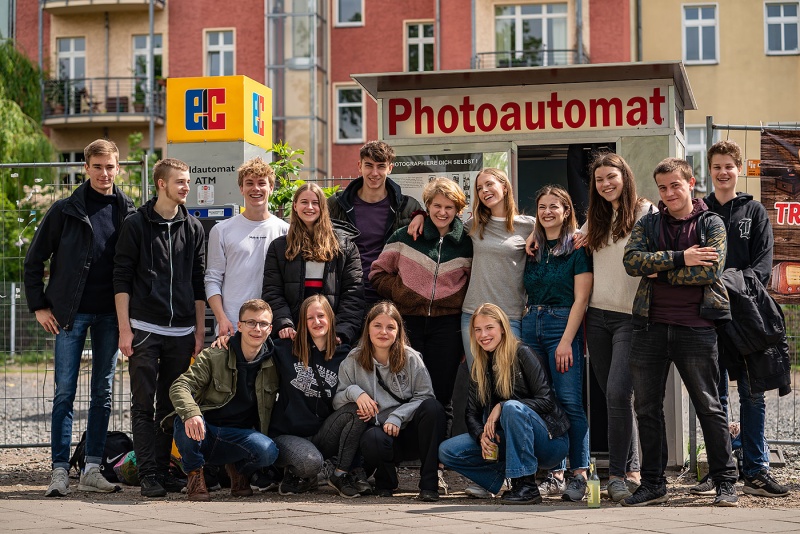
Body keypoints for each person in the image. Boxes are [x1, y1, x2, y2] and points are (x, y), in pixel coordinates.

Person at [623, 157, 738, 507]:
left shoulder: (711, 223)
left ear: (690, 183)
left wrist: (661, 268)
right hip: (650, 327)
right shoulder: (649, 223)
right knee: (646, 408)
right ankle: (654, 483)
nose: (669, 192)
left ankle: (725, 481)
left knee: (708, 405)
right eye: (662, 187)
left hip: (697, 329)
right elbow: (632, 262)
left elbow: (710, 270)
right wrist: (680, 257)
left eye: (675, 185)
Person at [24, 139, 135, 497]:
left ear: (119, 168)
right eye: (98, 166)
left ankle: (91, 468)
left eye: (111, 167)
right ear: (86, 168)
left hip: (110, 314)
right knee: (65, 393)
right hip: (69, 314)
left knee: (102, 393)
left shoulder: (127, 209)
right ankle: (59, 470)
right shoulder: (64, 210)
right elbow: (33, 260)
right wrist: (39, 305)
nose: (105, 173)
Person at [693, 140, 790, 498]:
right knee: (714, 397)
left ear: (738, 170)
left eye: (729, 167)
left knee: (752, 394)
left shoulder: (755, 212)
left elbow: (761, 269)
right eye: (716, 166)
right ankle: (722, 470)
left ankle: (756, 469)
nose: (723, 173)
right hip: (707, 317)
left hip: (747, 316)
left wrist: (723, 280)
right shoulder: (699, 213)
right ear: (710, 170)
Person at [114, 157, 206, 498]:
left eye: (188, 180)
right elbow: (121, 278)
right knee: (143, 404)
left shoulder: (193, 227)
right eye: (180, 181)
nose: (187, 186)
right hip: (143, 327)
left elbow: (198, 283)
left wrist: (198, 331)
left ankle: (165, 471)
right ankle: (148, 474)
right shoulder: (136, 223)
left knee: (170, 406)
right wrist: (125, 330)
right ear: (161, 184)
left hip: (181, 332)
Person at [439, 304, 570, 504]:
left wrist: (502, 405)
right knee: (447, 451)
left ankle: (527, 486)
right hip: (509, 439)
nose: (483, 335)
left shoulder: (522, 352)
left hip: (550, 441)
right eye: (477, 329)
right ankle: (503, 479)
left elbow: (546, 401)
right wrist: (480, 435)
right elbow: (471, 414)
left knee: (511, 407)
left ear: (502, 327)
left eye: (489, 327)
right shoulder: (479, 366)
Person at [578, 153, 650, 502]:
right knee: (614, 397)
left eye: (612, 177)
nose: (606, 184)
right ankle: (633, 468)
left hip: (630, 318)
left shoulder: (644, 213)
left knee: (620, 394)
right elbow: (560, 231)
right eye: (600, 180)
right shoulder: (594, 218)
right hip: (598, 317)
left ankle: (618, 476)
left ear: (625, 176)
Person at [370, 177, 472, 413]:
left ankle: (436, 449)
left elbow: (472, 283)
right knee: (404, 391)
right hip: (407, 322)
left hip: (448, 326)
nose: (442, 212)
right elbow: (377, 273)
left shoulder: (466, 243)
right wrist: (401, 292)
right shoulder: (405, 236)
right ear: (428, 207)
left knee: (441, 393)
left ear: (457, 210)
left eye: (449, 207)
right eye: (437, 206)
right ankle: (406, 447)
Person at [163, 299, 279, 502]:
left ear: (270, 329)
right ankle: (194, 475)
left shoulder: (275, 362)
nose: (257, 329)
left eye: (263, 324)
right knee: (184, 421)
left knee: (268, 452)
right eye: (251, 322)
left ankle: (238, 469)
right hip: (205, 430)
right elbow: (180, 386)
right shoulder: (214, 355)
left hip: (239, 437)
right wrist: (192, 413)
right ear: (239, 326)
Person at [333, 301, 446, 502]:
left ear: (398, 331)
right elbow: (338, 403)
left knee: (434, 409)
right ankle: (386, 481)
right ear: (368, 328)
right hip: (381, 435)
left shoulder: (411, 358)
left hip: (412, 433)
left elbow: (426, 396)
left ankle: (429, 484)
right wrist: (355, 392)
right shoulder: (353, 360)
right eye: (377, 325)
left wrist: (397, 416)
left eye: (390, 327)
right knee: (371, 438)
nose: (383, 332)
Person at [521, 185, 592, 502]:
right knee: (543, 402)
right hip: (530, 323)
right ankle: (554, 472)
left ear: (566, 211)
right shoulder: (533, 247)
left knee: (569, 401)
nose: (547, 212)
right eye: (542, 207)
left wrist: (566, 341)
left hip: (562, 325)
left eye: (554, 206)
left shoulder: (578, 247)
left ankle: (579, 473)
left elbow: (582, 300)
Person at [268, 295, 367, 498]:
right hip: (288, 434)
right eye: (309, 318)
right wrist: (228, 340)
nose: (316, 322)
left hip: (322, 433)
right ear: (302, 323)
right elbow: (252, 346)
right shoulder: (285, 348)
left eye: (321, 316)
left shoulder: (344, 355)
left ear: (330, 319)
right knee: (310, 462)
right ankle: (299, 472)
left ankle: (340, 474)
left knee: (357, 410)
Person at [263, 183, 364, 346]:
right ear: (295, 206)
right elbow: (272, 291)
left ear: (323, 207)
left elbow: (353, 294)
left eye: (315, 203)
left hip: (332, 336)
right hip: (293, 335)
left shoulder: (344, 247)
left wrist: (342, 330)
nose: (309, 207)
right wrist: (284, 323)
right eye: (304, 202)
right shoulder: (279, 247)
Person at [327, 140, 424, 304]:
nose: (374, 172)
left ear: (390, 168)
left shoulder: (408, 207)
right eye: (369, 165)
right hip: (347, 294)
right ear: (359, 166)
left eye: (381, 166)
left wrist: (422, 214)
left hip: (389, 295)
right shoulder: (337, 205)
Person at [460, 168, 536, 368]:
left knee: (511, 381)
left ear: (504, 186)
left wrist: (538, 234)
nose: (484, 191)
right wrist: (418, 216)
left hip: (509, 316)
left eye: (489, 184)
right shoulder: (473, 225)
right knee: (479, 381)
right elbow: (440, 221)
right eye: (479, 188)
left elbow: (569, 230)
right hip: (473, 315)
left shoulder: (530, 225)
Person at [205, 157, 288, 337]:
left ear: (271, 188)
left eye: (261, 183)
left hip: (272, 327)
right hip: (233, 326)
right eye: (249, 183)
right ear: (241, 188)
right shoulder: (221, 230)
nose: (255, 188)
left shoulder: (285, 231)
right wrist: (222, 319)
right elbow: (212, 279)